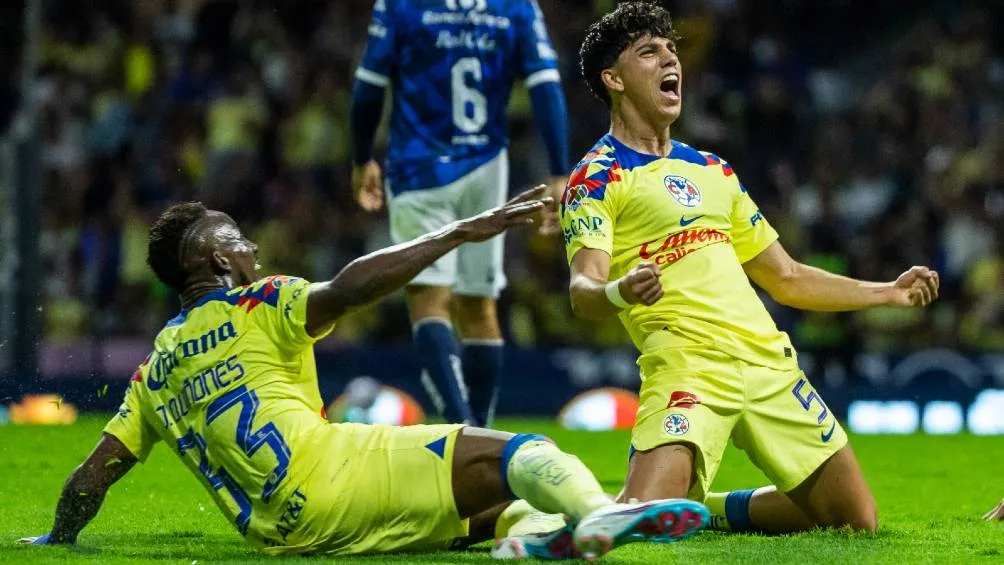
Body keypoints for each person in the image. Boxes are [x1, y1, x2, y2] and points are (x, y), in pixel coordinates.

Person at [17, 190, 709, 560]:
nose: (253, 247)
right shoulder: (257, 301)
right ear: (220, 261)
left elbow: (92, 477)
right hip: (332, 472)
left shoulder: (154, 370)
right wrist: (462, 231)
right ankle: (601, 515)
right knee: (527, 450)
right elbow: (349, 288)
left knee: (490, 503)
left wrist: (59, 539)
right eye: (239, 238)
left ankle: (534, 540)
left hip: (283, 533)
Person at [560, 1, 941, 534]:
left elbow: (784, 276)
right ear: (614, 79)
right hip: (689, 362)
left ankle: (708, 510)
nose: (670, 59)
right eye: (649, 53)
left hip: (767, 362)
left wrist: (886, 292)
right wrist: (622, 289)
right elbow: (584, 290)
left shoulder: (713, 169)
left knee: (856, 523)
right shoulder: (596, 178)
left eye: (671, 50)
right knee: (636, 523)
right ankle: (541, 509)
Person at [350, 0, 569, 427]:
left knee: (430, 299)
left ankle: (460, 425)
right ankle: (480, 434)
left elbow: (369, 85)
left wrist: (361, 158)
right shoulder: (516, 7)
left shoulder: (401, 5)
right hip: (487, 166)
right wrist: (560, 167)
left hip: (419, 166)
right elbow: (545, 85)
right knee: (480, 306)